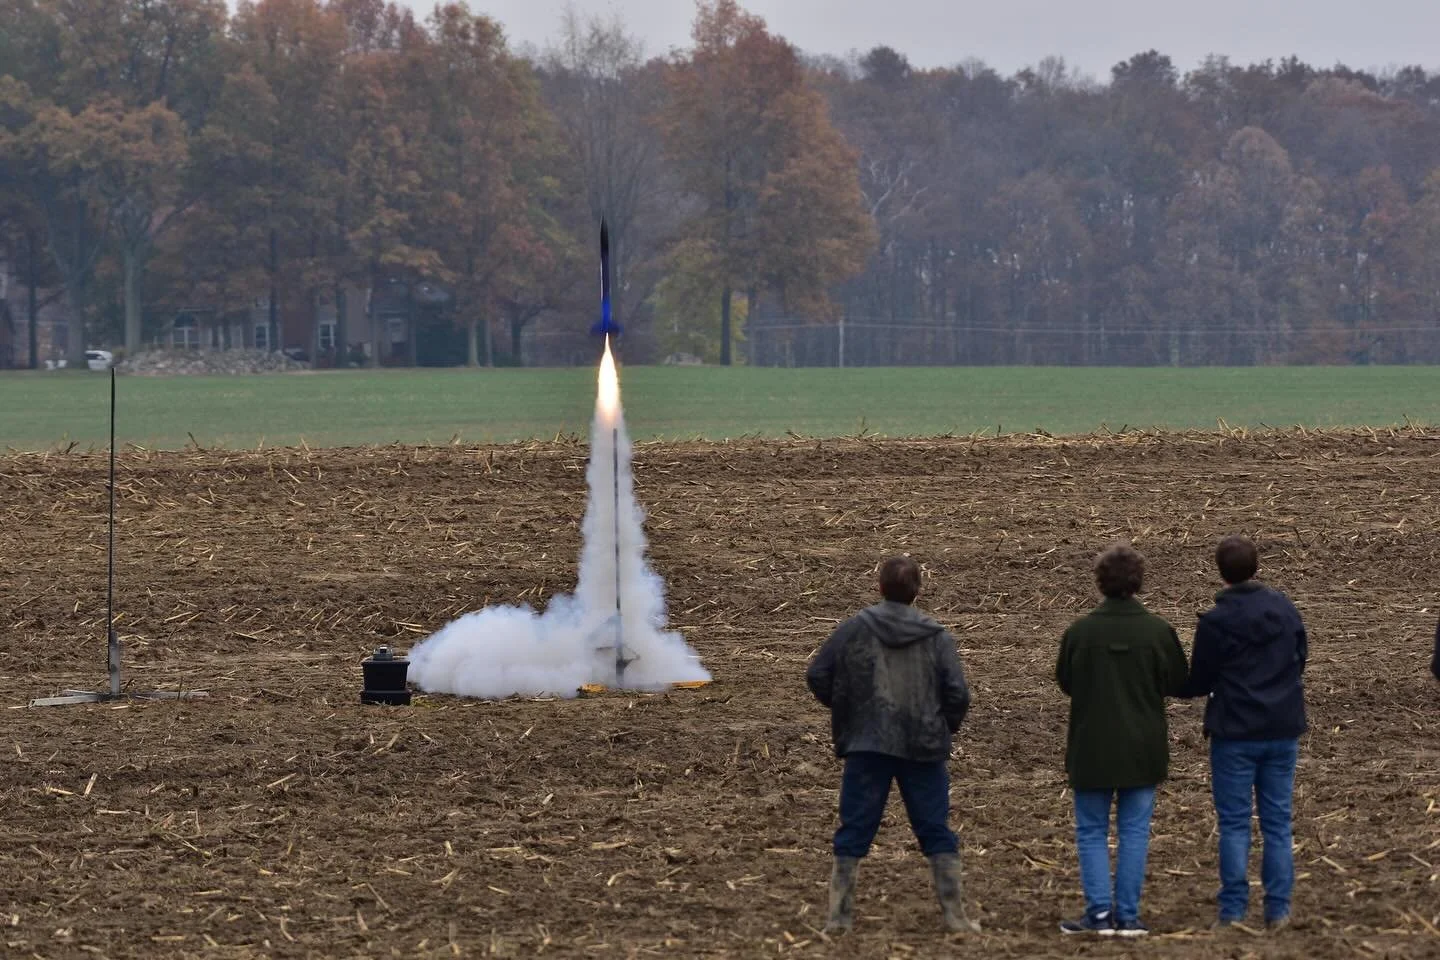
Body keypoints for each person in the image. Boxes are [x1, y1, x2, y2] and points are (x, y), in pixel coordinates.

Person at [805, 555, 979, 935]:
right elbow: (957, 694)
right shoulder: (936, 637)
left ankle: (839, 919)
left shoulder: (853, 629)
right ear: (917, 591)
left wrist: (850, 711)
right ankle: (955, 917)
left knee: (854, 829)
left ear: (880, 587)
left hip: (867, 745)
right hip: (923, 746)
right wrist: (942, 726)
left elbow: (818, 674)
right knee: (935, 829)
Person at [1055, 543, 1188, 938]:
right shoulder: (1157, 630)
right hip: (1142, 748)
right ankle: (1128, 916)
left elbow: (1066, 682)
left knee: (1092, 831)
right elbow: (1179, 681)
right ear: (1139, 582)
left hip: (1091, 747)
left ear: (1099, 583)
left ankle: (1098, 914)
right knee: (1134, 831)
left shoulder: (1080, 632)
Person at [1183, 535, 1307, 931]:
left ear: (1220, 572)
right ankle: (1279, 908)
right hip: (1282, 727)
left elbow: (1200, 680)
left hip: (1234, 732)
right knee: (1277, 821)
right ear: (1256, 568)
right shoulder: (1285, 610)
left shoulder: (1216, 622)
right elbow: (1301, 656)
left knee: (1235, 823)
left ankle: (1233, 910)